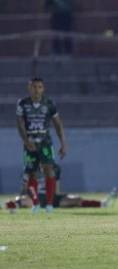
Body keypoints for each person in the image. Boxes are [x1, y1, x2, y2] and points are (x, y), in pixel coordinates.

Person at [16, 78, 67, 212]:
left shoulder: (49, 103)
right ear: (29, 88)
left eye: (39, 87)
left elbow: (58, 124)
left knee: (49, 170)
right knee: (32, 173)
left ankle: (49, 204)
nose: (37, 90)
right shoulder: (22, 103)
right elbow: (20, 124)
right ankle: (36, 203)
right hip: (30, 144)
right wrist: (26, 141)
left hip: (45, 143)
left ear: (43, 89)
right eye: (34, 87)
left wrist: (63, 143)